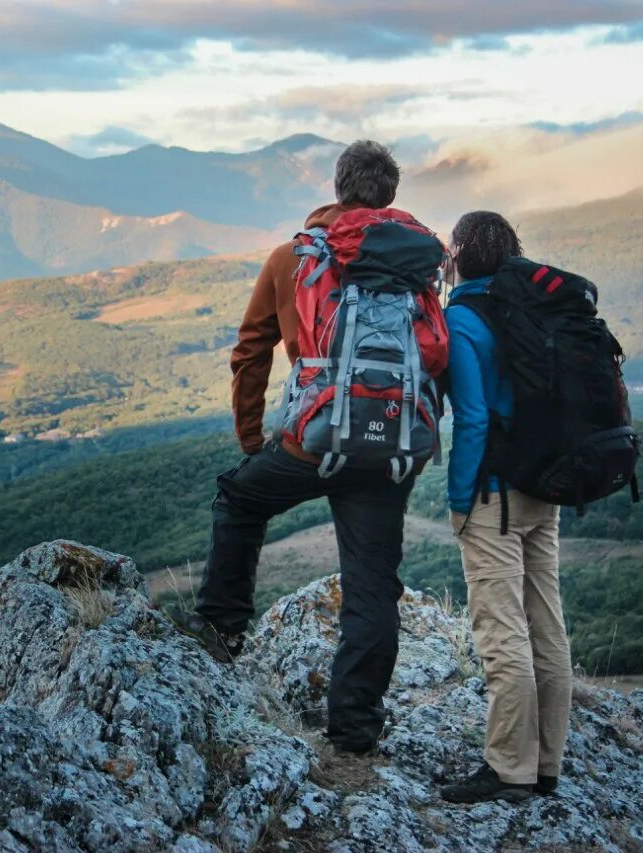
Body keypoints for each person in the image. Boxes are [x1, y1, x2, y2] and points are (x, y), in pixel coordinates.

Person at [169, 140, 429, 755]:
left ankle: (222, 629)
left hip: (311, 442)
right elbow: (433, 352)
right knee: (371, 585)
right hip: (390, 442)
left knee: (239, 497)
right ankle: (355, 731)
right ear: (389, 195)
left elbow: (249, 352)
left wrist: (254, 438)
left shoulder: (293, 256)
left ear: (338, 188)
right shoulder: (416, 260)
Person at [438, 211, 572, 803]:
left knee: (502, 632)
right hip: (548, 487)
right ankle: (547, 765)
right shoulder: (539, 305)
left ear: (459, 256)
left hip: (493, 494)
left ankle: (509, 770)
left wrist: (459, 499)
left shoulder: (463, 318)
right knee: (547, 623)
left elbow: (468, 417)